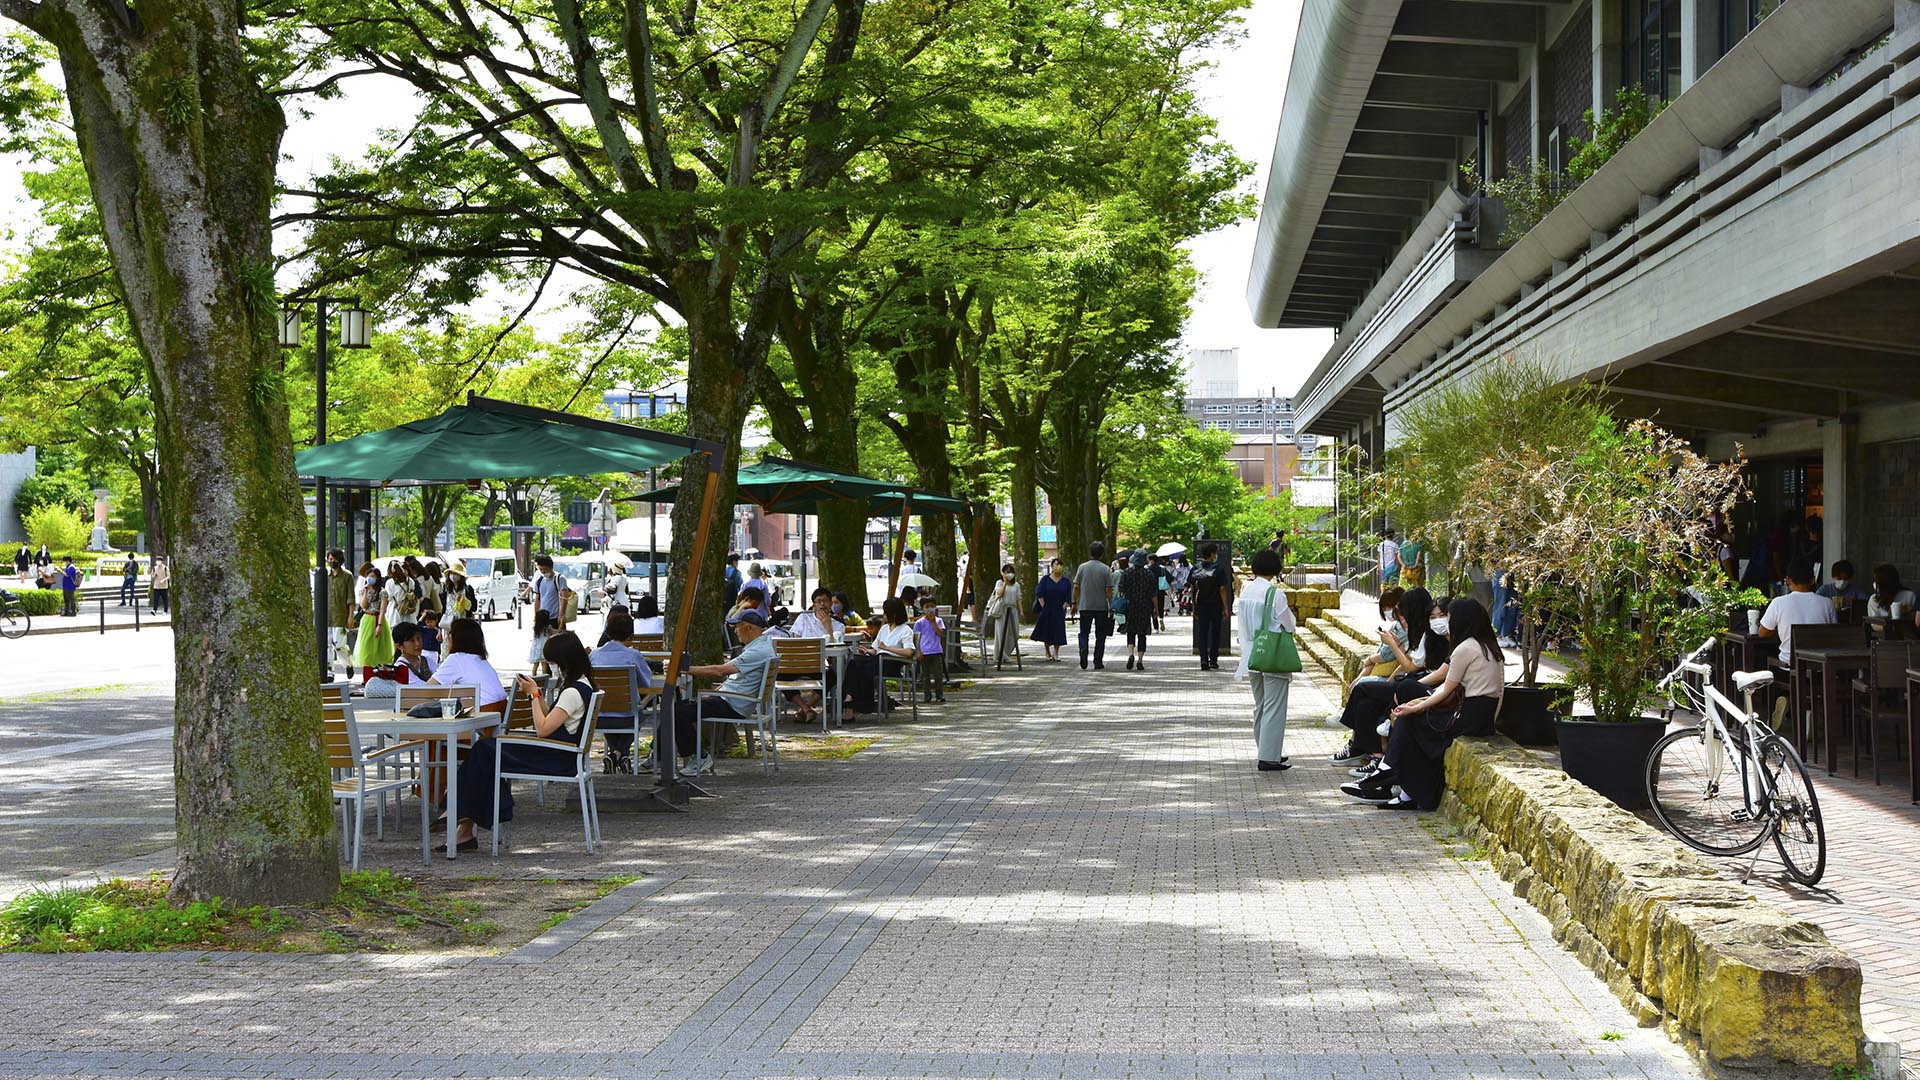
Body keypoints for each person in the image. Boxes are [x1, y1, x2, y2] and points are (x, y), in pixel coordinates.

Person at [1342, 597, 1503, 810]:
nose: (1448, 622)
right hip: (1481, 716)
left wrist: (1416, 707)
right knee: (1411, 720)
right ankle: (1402, 789)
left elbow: (1446, 687)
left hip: (1468, 715)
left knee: (1410, 722)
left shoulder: (1465, 648)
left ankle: (1387, 772)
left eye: (1450, 618)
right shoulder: (1489, 647)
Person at [441, 631, 596, 851]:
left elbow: (542, 730)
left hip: (556, 758)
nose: (550, 668)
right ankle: (463, 823)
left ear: (564, 662)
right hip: (560, 753)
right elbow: (550, 719)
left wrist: (533, 695)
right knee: (487, 752)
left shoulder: (573, 692)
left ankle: (456, 807)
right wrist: (538, 695)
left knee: (485, 749)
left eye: (552, 663)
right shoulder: (583, 684)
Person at [1330, 588, 1450, 768]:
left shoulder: (1433, 636)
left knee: (1363, 689)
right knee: (1366, 703)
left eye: (1441, 616)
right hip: (1412, 683)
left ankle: (1356, 742)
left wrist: (1393, 645)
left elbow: (1413, 667)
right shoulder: (1422, 633)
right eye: (1433, 617)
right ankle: (1372, 754)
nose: (1436, 621)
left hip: (1420, 687)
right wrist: (1391, 680)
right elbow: (1408, 664)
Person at [684, 610, 778, 755]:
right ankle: (658, 755)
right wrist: (718, 691)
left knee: (676, 713)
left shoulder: (757, 651)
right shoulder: (761, 646)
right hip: (732, 700)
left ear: (749, 627)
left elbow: (720, 671)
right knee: (676, 710)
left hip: (732, 705)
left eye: (737, 626)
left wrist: (686, 669)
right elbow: (736, 678)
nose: (735, 631)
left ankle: (698, 758)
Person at [1236, 548, 1296, 770]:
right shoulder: (1274, 593)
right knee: (1274, 705)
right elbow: (1288, 624)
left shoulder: (1246, 590)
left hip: (1251, 652)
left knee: (1260, 704)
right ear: (1275, 569)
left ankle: (1265, 749)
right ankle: (1269, 757)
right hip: (1273, 654)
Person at [591, 609, 659, 771]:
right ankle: (620, 753)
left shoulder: (594, 655)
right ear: (630, 636)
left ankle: (616, 755)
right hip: (627, 716)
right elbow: (647, 683)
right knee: (637, 712)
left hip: (599, 716)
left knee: (610, 706)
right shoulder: (633, 655)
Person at [1757, 559, 1834, 664]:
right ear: (1813, 580)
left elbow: (1762, 633)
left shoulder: (1778, 603)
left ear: (1788, 580)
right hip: (1820, 664)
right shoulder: (1827, 603)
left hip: (1790, 664)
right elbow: (1833, 633)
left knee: (1761, 653)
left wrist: (1780, 630)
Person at [430, 617, 508, 714]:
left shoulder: (456, 659)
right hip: (501, 711)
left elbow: (427, 689)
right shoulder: (480, 659)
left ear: (454, 638)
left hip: (482, 714)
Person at [363, 621, 439, 699]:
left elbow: (441, 678)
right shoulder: (401, 668)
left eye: (419, 638)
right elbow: (423, 687)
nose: (418, 644)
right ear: (399, 646)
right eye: (412, 641)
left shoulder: (427, 660)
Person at [1070, 541, 1114, 670]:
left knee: (1084, 632)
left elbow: (1076, 587)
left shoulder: (1082, 567)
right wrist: (1111, 605)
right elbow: (1109, 590)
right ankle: (1098, 661)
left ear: (1090, 552)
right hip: (1101, 607)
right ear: (1102, 554)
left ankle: (1083, 648)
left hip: (1085, 605)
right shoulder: (1106, 569)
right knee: (1101, 635)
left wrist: (1074, 603)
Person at [1191, 543, 1231, 671]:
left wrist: (1194, 606)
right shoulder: (1218, 569)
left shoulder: (1196, 568)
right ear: (1213, 554)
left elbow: (1193, 588)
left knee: (1202, 633)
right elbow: (1223, 589)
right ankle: (1213, 660)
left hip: (1201, 604)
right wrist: (1226, 608)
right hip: (1216, 604)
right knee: (1215, 632)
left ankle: (1203, 659)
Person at [1117, 550, 1158, 671]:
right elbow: (1154, 593)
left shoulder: (1127, 573)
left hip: (1131, 605)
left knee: (1130, 631)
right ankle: (1140, 659)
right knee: (1142, 633)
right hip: (1145, 606)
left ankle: (1130, 654)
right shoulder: (1149, 574)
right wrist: (1156, 609)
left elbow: (1121, 589)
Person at [351, 562, 394, 669]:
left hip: (378, 618)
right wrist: (366, 591)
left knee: (379, 647)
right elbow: (363, 605)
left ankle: (378, 670)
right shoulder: (364, 590)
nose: (370, 578)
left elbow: (383, 610)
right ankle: (367, 672)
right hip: (367, 618)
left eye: (373, 576)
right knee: (366, 647)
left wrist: (379, 625)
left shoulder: (382, 592)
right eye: (369, 576)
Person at [1030, 559, 1070, 661]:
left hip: (1059, 609)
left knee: (1058, 631)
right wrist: (1044, 606)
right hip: (1047, 608)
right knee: (1046, 630)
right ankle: (1047, 651)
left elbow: (1068, 597)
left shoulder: (1065, 581)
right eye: (1056, 565)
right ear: (1052, 567)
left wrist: (1064, 607)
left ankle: (1056, 653)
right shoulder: (1045, 579)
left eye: (1060, 565)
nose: (1058, 567)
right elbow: (1039, 593)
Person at [985, 562, 1022, 669]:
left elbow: (1019, 598)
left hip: (1013, 610)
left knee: (1013, 633)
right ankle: (1000, 655)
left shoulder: (1017, 585)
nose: (1009, 574)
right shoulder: (999, 583)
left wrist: (1021, 611)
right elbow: (999, 594)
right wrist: (1005, 583)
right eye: (1007, 572)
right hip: (1002, 610)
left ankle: (1007, 653)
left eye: (1011, 572)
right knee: (1001, 633)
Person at [326, 548, 354, 669]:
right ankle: (329, 669)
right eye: (330, 559)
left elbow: (351, 598)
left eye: (335, 559)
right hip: (327, 615)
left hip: (341, 615)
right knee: (327, 645)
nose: (332, 561)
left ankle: (347, 664)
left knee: (339, 644)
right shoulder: (325, 576)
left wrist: (351, 616)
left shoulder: (347, 576)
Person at [914, 598, 946, 703]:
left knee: (938, 675)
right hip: (924, 652)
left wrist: (933, 622)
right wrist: (918, 651)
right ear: (922, 609)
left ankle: (939, 695)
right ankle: (927, 695)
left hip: (936, 651)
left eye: (932, 606)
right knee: (925, 675)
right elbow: (915, 638)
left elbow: (941, 634)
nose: (930, 609)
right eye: (927, 607)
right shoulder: (919, 623)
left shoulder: (939, 621)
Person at [531, 554, 565, 630]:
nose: (543, 572)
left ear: (551, 567)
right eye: (541, 570)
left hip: (555, 617)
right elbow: (537, 599)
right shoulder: (539, 581)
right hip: (542, 618)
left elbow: (564, 598)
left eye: (545, 569)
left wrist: (561, 615)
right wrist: (536, 616)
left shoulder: (559, 579)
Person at [527, 608, 557, 676]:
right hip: (544, 647)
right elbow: (555, 632)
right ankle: (545, 677)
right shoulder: (547, 628)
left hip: (536, 647)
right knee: (544, 664)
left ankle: (534, 677)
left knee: (535, 665)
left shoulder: (536, 628)